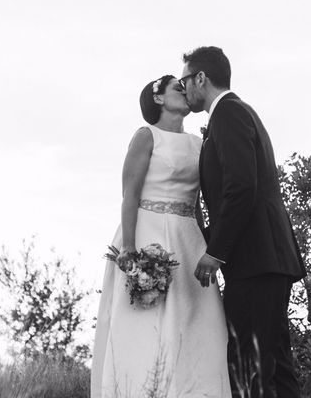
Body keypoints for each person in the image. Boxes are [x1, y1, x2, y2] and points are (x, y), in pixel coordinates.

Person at [91, 75, 231, 398]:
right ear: (158, 98)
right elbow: (130, 195)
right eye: (177, 88)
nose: (185, 92)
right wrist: (128, 248)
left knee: (199, 322)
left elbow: (198, 201)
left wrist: (210, 244)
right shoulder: (146, 137)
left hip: (187, 238)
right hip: (146, 234)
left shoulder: (199, 143)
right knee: (145, 328)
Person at [180, 46, 307, 398]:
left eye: (184, 80)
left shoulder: (229, 114)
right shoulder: (238, 113)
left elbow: (241, 187)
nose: (184, 87)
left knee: (249, 367)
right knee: (276, 369)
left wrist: (216, 251)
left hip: (254, 262)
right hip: (267, 259)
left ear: (201, 79)